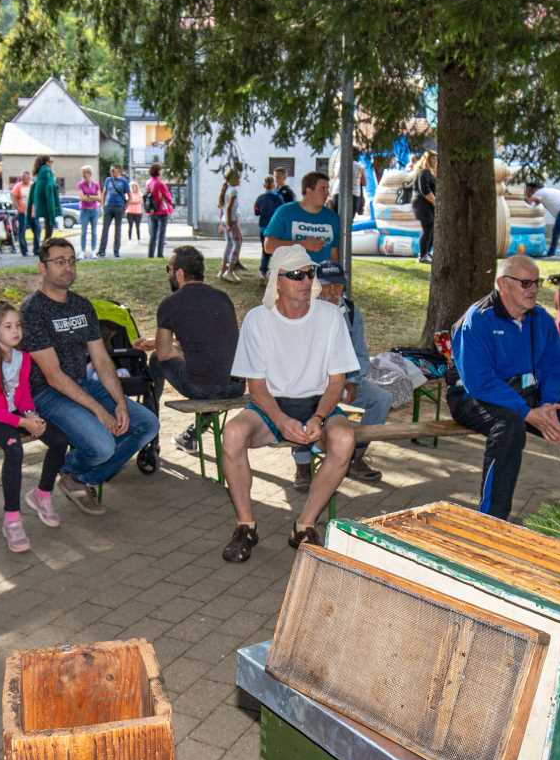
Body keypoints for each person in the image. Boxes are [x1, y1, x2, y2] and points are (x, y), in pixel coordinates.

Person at [218, 246, 359, 560]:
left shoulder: (330, 317)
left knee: (345, 438)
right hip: (270, 405)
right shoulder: (258, 320)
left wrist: (319, 417)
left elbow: (337, 382)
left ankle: (304, 525)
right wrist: (282, 421)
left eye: (309, 273)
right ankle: (245, 525)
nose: (305, 281)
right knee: (233, 434)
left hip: (317, 403)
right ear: (276, 281)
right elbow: (256, 387)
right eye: (295, 275)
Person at [448, 254, 560, 517]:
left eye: (537, 283)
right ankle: (492, 518)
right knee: (509, 427)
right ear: (503, 284)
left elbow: (553, 368)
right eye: (526, 283)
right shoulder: (477, 320)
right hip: (473, 396)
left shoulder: (540, 319)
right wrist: (529, 414)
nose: (534, 290)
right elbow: (478, 381)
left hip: (526, 395)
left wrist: (549, 406)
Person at [21, 237, 160, 512]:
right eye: (59, 262)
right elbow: (53, 375)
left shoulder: (82, 306)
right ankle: (75, 469)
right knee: (103, 447)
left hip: (83, 385)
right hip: (46, 394)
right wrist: (100, 411)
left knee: (146, 424)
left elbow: (102, 359)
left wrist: (119, 402)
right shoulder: (32, 311)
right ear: (42, 267)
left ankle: (76, 476)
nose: (68, 267)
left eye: (72, 261)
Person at [0, 302, 69, 553]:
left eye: (18, 326)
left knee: (58, 439)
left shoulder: (22, 358)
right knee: (13, 447)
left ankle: (42, 495)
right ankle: (12, 519)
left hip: (13, 415)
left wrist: (32, 416)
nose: (16, 331)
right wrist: (23, 423)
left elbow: (23, 396)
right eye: (8, 326)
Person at [138, 245, 241, 455]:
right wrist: (166, 343)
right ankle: (192, 435)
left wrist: (165, 347)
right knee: (209, 370)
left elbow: (165, 353)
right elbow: (209, 342)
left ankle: (150, 439)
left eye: (169, 270)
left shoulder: (170, 304)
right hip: (236, 386)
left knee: (157, 360)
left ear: (179, 273)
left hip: (203, 388)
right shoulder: (223, 298)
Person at [299, 261, 390, 486]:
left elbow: (360, 354)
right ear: (316, 286)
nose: (332, 292)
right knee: (299, 402)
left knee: (381, 399)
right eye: (327, 286)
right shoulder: (303, 311)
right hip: (312, 381)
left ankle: (354, 457)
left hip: (346, 379)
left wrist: (352, 381)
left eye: (338, 286)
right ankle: (302, 465)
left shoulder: (350, 312)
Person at [263, 171, 345, 268]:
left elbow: (333, 253)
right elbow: (268, 246)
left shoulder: (332, 217)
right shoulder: (285, 212)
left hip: (321, 279)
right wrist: (302, 244)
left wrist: (335, 277)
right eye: (323, 189)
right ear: (308, 191)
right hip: (291, 278)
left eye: (328, 189)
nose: (327, 193)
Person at [528, 181, 560, 259]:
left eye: (530, 190)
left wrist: (526, 197)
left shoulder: (539, 192)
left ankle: (551, 253)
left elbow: (529, 201)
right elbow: (537, 202)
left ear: (534, 189)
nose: (530, 192)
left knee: (556, 232)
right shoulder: (546, 191)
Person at [27, 155, 62, 250]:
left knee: (47, 230)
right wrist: (55, 187)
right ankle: (44, 250)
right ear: (47, 162)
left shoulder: (40, 172)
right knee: (49, 230)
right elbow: (49, 188)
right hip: (47, 204)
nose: (52, 164)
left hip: (42, 203)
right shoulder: (47, 171)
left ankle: (43, 249)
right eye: (51, 161)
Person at [218, 166, 246, 280]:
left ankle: (223, 270)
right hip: (231, 221)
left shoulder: (226, 189)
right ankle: (229, 271)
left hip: (225, 220)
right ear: (233, 179)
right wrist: (230, 224)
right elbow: (229, 208)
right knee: (238, 243)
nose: (240, 180)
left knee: (229, 244)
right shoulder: (233, 191)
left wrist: (223, 223)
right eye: (238, 178)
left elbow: (222, 208)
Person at [144, 163, 175, 258]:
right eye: (161, 170)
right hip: (161, 211)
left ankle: (150, 255)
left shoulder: (148, 182)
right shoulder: (160, 183)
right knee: (161, 234)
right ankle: (160, 254)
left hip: (152, 211)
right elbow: (167, 196)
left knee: (153, 235)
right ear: (158, 171)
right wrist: (171, 203)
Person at [412, 152, 437, 263]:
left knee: (431, 229)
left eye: (436, 159)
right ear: (427, 160)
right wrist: (436, 202)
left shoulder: (431, 172)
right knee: (427, 228)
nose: (435, 161)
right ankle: (422, 255)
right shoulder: (424, 172)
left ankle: (426, 253)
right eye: (433, 159)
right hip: (422, 205)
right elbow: (425, 190)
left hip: (429, 205)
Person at [99, 165, 129, 257]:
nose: (112, 172)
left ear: (119, 171)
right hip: (108, 207)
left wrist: (125, 207)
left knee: (117, 230)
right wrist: (103, 205)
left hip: (119, 208)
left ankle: (116, 251)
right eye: (111, 171)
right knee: (105, 229)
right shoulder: (108, 180)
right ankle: (102, 251)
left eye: (113, 170)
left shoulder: (124, 181)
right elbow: (104, 193)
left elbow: (129, 196)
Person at [76, 166, 102, 255]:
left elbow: (100, 198)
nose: (83, 175)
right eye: (82, 173)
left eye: (85, 173)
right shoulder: (80, 184)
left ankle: (93, 251)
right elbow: (82, 198)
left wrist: (89, 196)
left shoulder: (96, 184)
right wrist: (93, 197)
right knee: (83, 232)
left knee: (94, 232)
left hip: (94, 211)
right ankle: (82, 251)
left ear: (90, 173)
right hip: (84, 211)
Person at [10, 171, 33, 255]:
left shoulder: (32, 185)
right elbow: (12, 195)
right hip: (22, 212)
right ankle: (24, 250)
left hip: (32, 212)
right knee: (22, 231)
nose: (26, 180)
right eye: (24, 178)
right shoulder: (18, 186)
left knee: (37, 229)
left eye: (27, 178)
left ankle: (36, 249)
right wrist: (17, 207)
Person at [125, 177, 144, 241]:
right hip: (130, 211)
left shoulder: (140, 193)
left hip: (138, 212)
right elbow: (128, 201)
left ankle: (139, 238)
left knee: (137, 226)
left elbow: (141, 201)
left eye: (135, 186)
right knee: (130, 225)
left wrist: (133, 201)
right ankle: (129, 238)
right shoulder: (128, 194)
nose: (133, 188)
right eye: (132, 186)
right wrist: (135, 202)